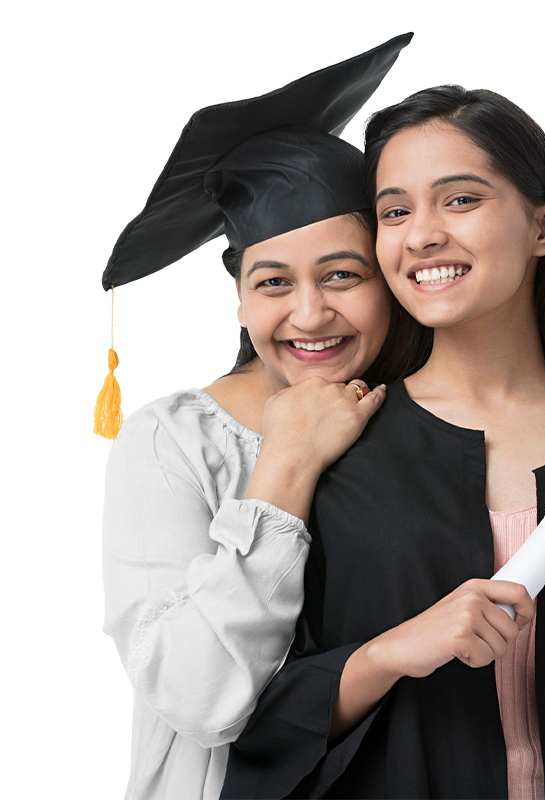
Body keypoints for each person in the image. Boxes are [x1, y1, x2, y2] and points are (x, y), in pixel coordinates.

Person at [222, 85, 545, 800]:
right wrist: (390, 653)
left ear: (544, 227)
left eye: (460, 200)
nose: (422, 233)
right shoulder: (335, 449)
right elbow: (255, 722)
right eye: (395, 210)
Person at [100, 34, 412, 800]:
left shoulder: (423, 412)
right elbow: (198, 700)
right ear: (238, 297)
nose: (310, 314)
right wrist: (286, 467)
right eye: (273, 283)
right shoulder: (174, 442)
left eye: (344, 275)